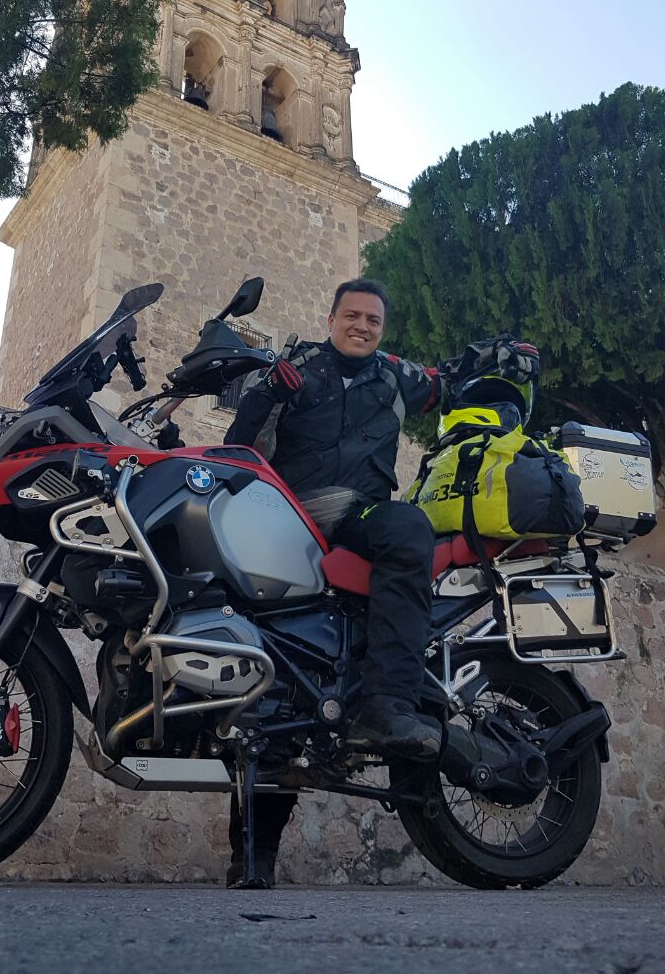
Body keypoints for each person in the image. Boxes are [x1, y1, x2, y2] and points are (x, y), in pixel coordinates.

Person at [221, 276, 445, 888]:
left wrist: (490, 360)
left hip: (360, 514)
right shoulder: (297, 369)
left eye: (373, 320)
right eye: (353, 316)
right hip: (289, 517)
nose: (362, 326)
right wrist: (268, 392)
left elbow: (444, 384)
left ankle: (387, 707)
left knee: (409, 527)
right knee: (274, 692)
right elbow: (239, 445)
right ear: (331, 320)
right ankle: (253, 857)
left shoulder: (394, 377)